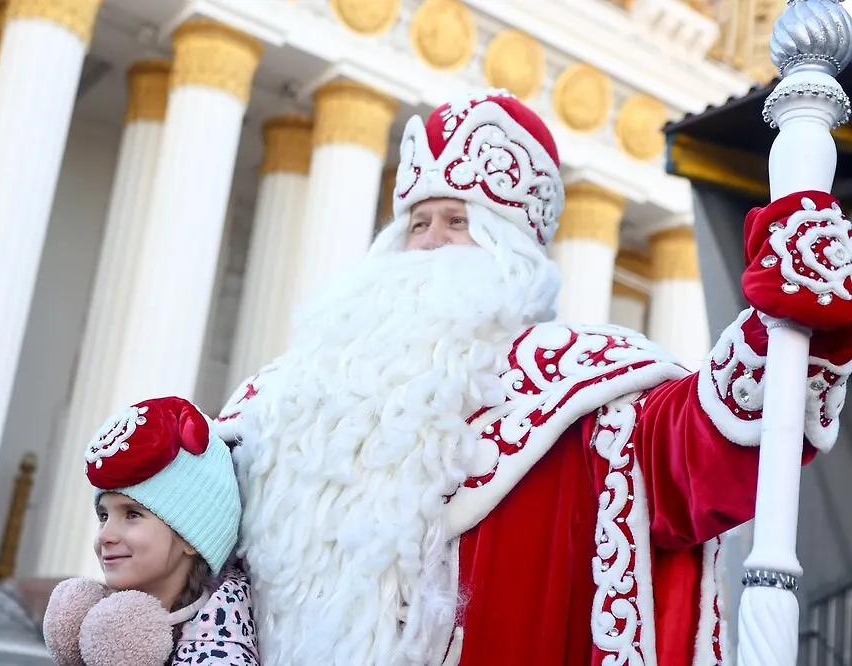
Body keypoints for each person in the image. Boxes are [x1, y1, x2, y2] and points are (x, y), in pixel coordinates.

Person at [216, 89, 852, 665]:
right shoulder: (286, 399)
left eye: (457, 221)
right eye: (418, 223)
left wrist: (786, 319)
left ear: (509, 252)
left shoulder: (588, 389)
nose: (430, 242)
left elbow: (703, 450)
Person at [42, 396, 258, 666]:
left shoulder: (219, 657)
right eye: (104, 515)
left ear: (191, 538)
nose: (105, 535)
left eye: (132, 514)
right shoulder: (115, 637)